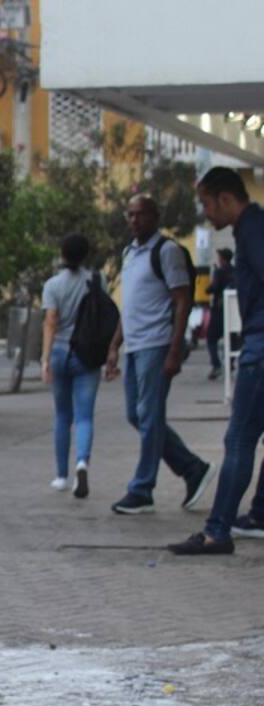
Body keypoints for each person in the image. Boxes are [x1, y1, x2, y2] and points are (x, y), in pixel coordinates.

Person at [168, 167, 264, 554]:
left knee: (239, 439)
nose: (206, 213)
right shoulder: (252, 227)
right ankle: (259, 513)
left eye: (207, 204)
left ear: (226, 199)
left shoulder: (253, 228)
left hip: (261, 348)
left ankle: (216, 530)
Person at [105, 195, 214, 515]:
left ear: (154, 216)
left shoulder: (165, 252)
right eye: (130, 215)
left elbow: (182, 300)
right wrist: (114, 345)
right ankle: (193, 468)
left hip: (157, 344)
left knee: (150, 416)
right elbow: (131, 305)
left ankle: (142, 489)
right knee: (136, 415)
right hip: (135, 346)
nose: (135, 220)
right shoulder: (129, 253)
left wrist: (176, 349)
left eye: (141, 214)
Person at [41, 234, 104, 498]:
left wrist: (45, 359)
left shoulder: (53, 285)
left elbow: (51, 322)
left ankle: (60, 476)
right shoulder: (96, 282)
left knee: (62, 416)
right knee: (85, 416)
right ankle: (82, 462)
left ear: (63, 254)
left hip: (59, 353)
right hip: (88, 354)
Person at [206, 248, 234, 380]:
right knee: (231, 338)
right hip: (233, 310)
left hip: (219, 309)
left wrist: (208, 288)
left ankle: (216, 365)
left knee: (211, 338)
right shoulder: (235, 271)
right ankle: (230, 363)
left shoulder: (219, 271)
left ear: (222, 258)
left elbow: (213, 288)